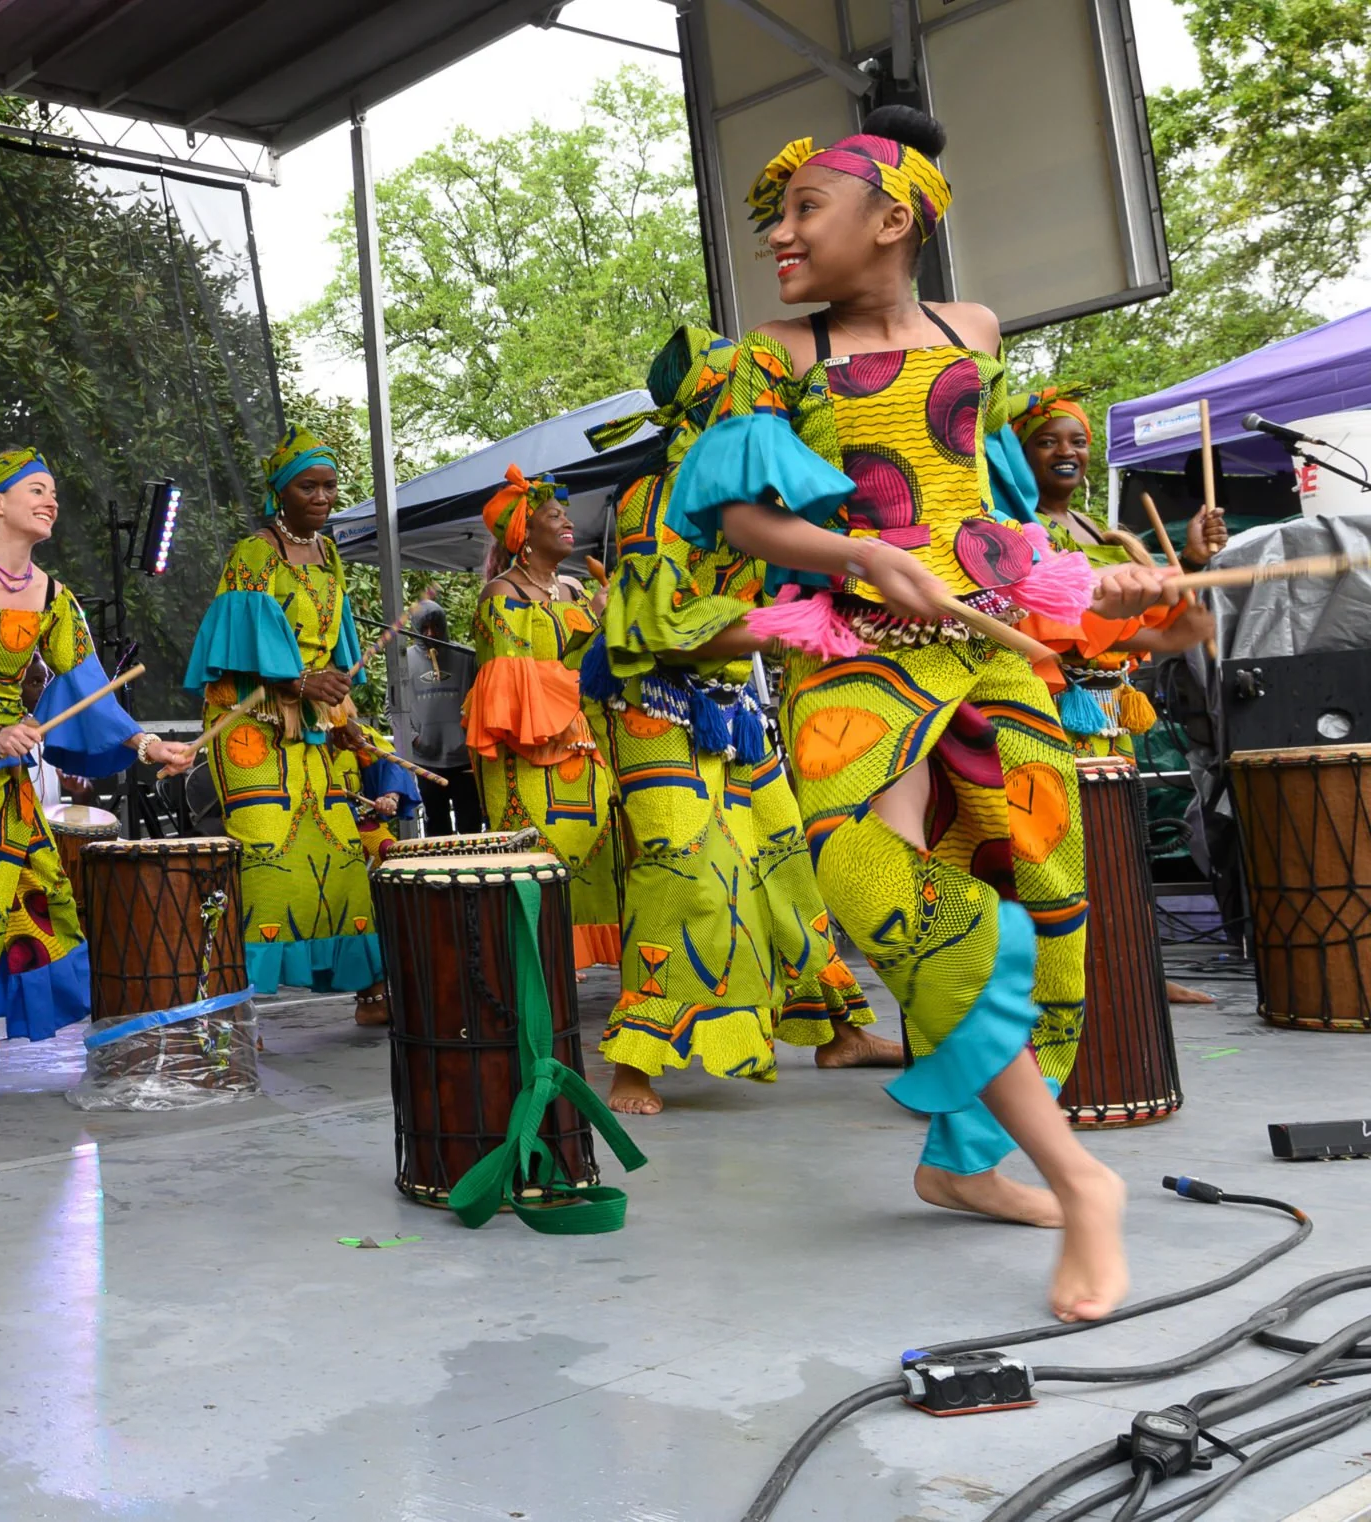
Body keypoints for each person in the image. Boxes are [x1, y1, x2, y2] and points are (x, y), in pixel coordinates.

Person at [666, 106, 1174, 1321]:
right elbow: (745, 522)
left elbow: (991, 507)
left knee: (1041, 889)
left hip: (986, 652)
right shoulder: (774, 357)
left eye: (805, 212)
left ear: (891, 222)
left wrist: (1085, 573)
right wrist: (853, 553)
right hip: (858, 658)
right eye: (777, 218)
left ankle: (962, 1164)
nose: (780, 236)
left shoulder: (972, 331)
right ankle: (1078, 1175)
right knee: (870, 886)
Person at [588, 326, 898, 1116]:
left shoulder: (761, 502)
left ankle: (838, 1029)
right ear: (712, 408)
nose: (774, 412)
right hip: (653, 699)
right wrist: (780, 627)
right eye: (756, 398)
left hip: (731, 704)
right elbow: (652, 628)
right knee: (682, 869)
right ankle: (636, 1062)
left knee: (788, 859)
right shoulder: (652, 500)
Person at [0, 449, 193, 1098]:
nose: (51, 501)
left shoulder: (54, 597)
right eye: (37, 490)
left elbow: (86, 686)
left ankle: (86, 1033)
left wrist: (145, 742)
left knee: (34, 900)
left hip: (4, 783)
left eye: (54, 493)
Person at [1013, 387, 1220, 1008]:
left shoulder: (1101, 530)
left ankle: (1133, 965)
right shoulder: (1017, 528)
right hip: (1054, 701)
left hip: (1110, 707)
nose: (1066, 452)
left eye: (1076, 441)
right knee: (1063, 846)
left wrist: (1190, 559)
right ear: (1018, 455)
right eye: (1046, 442)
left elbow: (1148, 616)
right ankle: (1067, 976)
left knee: (1117, 843)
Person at [184, 425, 388, 1024]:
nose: (323, 497)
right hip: (249, 726)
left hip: (312, 729)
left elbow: (334, 658)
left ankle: (369, 989)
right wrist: (300, 684)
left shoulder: (330, 557)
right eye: (309, 486)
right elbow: (239, 648)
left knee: (344, 852)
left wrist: (345, 717)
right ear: (281, 492)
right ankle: (233, 1008)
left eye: (329, 486)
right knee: (266, 854)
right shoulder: (254, 554)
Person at [463, 467, 622, 970]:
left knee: (600, 853)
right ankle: (541, 967)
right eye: (553, 516)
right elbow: (515, 681)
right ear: (524, 534)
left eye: (566, 515)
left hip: (583, 746)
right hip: (527, 752)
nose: (567, 523)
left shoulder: (576, 590)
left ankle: (590, 955)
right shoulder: (500, 595)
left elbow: (600, 669)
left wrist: (607, 616)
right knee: (540, 857)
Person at [388, 594, 482, 834]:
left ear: (444, 626)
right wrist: (414, 739)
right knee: (436, 827)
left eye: (436, 627)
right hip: (426, 762)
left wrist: (470, 736)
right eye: (424, 628)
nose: (430, 634)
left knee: (470, 825)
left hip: (464, 760)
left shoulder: (467, 657)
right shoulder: (402, 661)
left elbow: (484, 701)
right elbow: (392, 709)